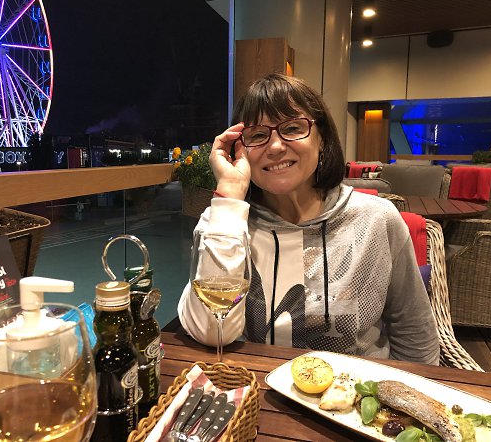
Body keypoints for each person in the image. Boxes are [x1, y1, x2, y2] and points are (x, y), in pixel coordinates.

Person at [177, 73, 440, 365]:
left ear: (321, 138)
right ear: (240, 149)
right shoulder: (224, 223)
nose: (275, 147)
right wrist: (229, 193)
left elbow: (415, 335)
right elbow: (211, 332)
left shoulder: (377, 220)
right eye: (258, 135)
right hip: (257, 387)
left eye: (292, 128)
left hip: (355, 390)